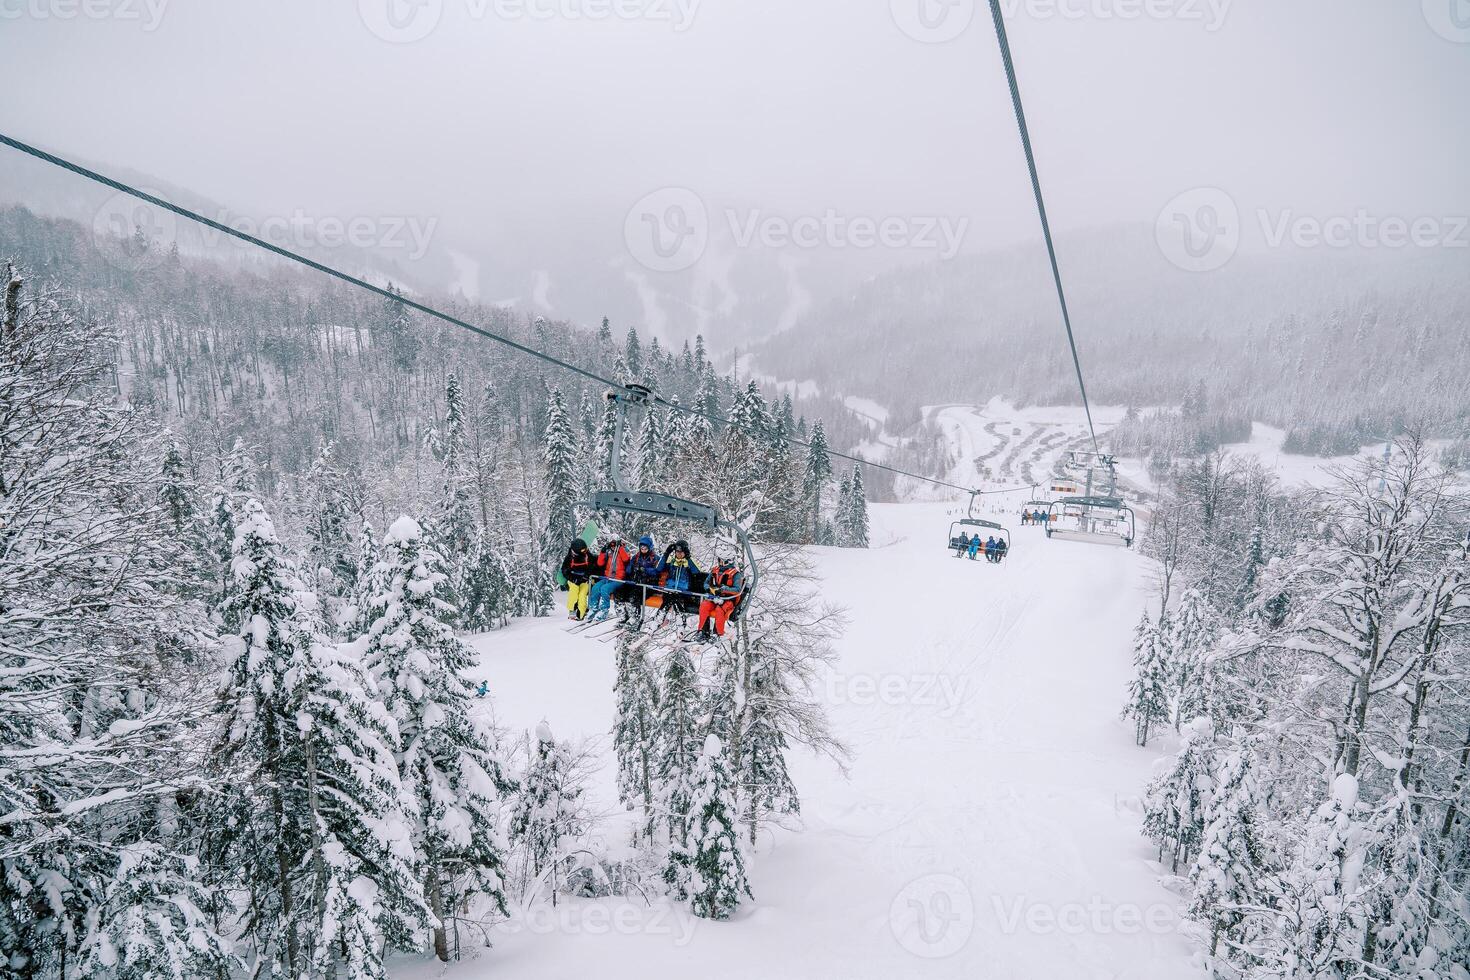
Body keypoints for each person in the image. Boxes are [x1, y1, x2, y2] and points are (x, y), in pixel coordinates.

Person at [695, 554, 745, 640]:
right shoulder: (715, 571)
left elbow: (737, 590)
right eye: (720, 560)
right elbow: (706, 583)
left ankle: (717, 634)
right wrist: (709, 589)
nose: (720, 563)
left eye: (722, 561)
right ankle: (703, 632)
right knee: (704, 605)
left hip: (728, 600)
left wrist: (723, 589)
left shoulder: (736, 574)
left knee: (719, 609)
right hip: (714, 597)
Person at [587, 536, 631, 621]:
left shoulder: (625, 550)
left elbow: (626, 559)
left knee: (604, 589)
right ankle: (593, 608)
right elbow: (600, 563)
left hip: (619, 579)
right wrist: (603, 552)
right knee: (595, 587)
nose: (613, 547)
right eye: (612, 545)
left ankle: (604, 610)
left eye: (615, 545)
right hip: (608, 577)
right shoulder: (609, 552)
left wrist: (620, 548)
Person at [655, 540, 701, 613]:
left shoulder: (689, 563)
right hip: (670, 590)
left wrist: (688, 558)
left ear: (685, 552)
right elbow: (658, 568)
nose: (679, 554)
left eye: (681, 552)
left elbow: (697, 572)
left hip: (682, 591)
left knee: (677, 602)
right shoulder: (672, 562)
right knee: (668, 600)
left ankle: (679, 620)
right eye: (677, 551)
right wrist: (666, 554)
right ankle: (660, 618)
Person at [560, 538, 595, 620]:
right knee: (574, 591)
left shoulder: (587, 555)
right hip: (573, 580)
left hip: (584, 580)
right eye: (582, 550)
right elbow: (564, 570)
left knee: (582, 594)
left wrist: (586, 576)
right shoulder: (569, 558)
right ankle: (572, 610)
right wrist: (572, 579)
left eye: (585, 550)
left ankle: (582, 613)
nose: (584, 551)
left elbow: (592, 566)